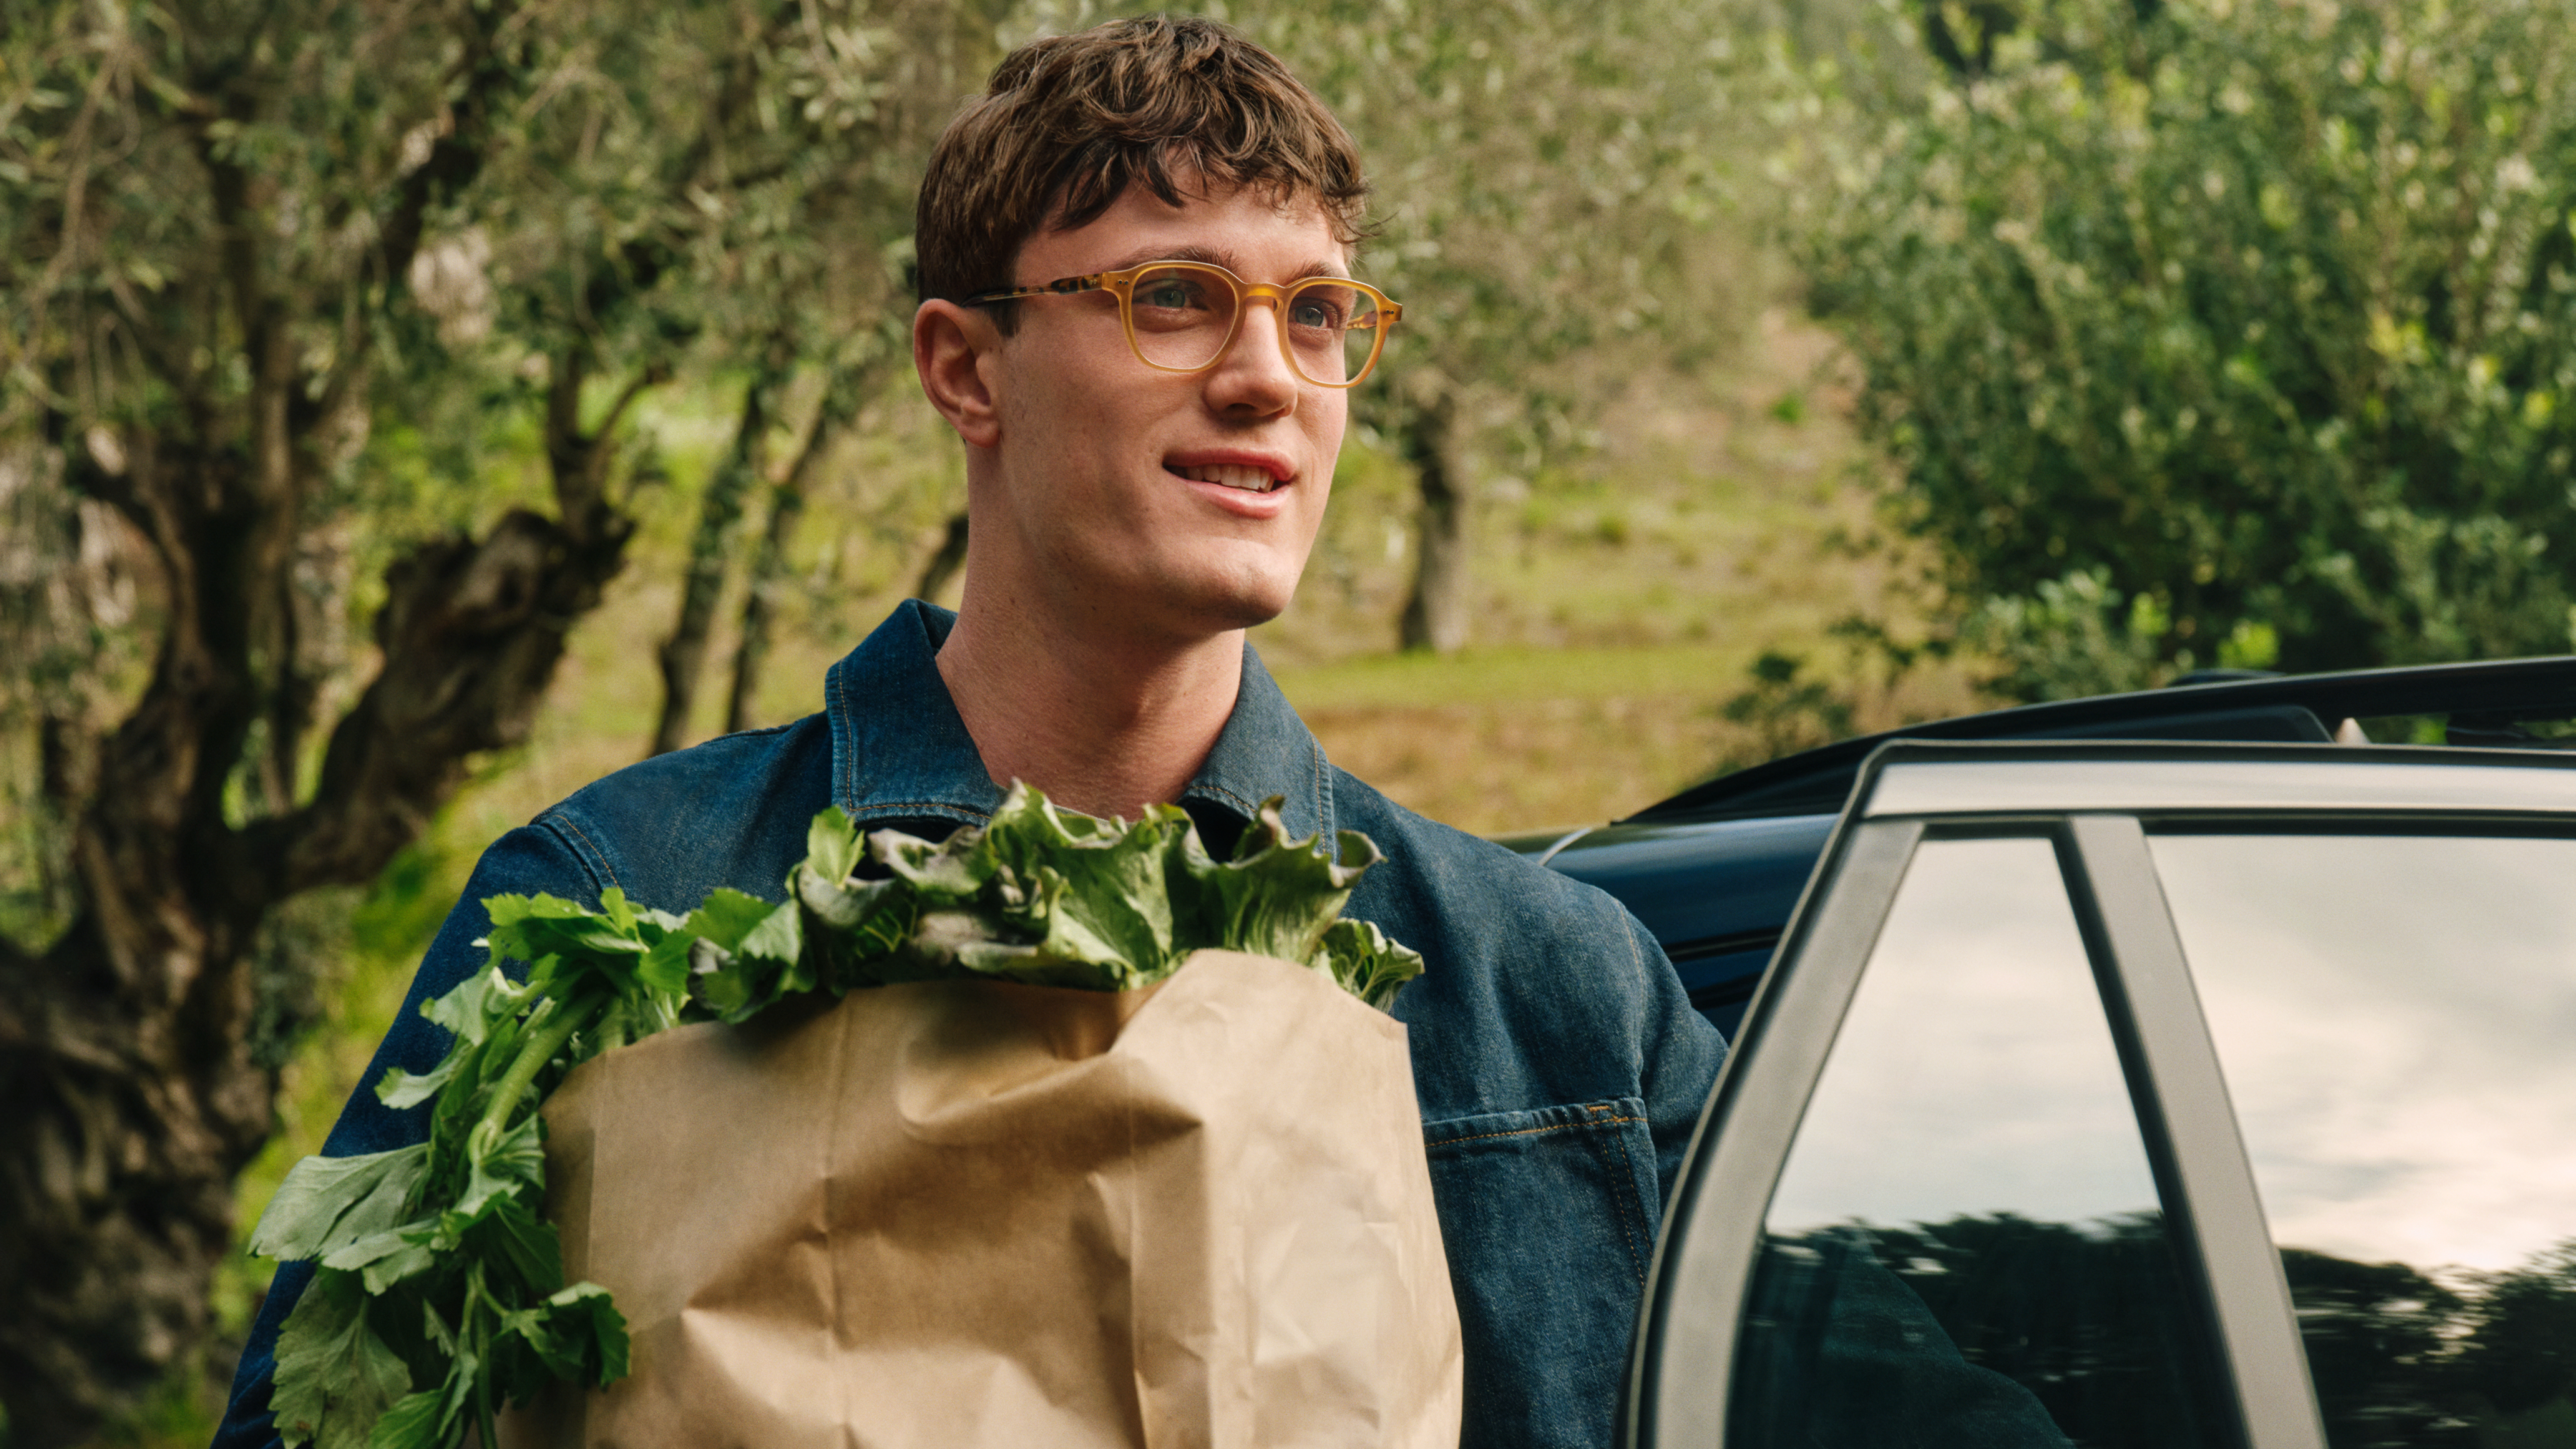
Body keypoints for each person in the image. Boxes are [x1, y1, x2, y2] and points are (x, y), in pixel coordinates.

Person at [213, 17, 1726, 1448]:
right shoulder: (614, 907)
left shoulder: (1562, 1001)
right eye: (1175, 296)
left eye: (1317, 312)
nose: (1270, 375)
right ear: (963, 368)